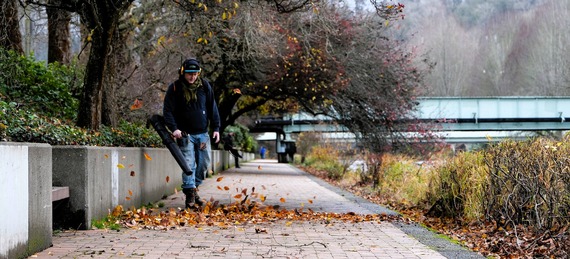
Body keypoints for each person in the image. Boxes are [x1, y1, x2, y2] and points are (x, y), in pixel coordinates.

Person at [163, 58, 220, 209]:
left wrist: (216, 128)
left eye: (195, 74)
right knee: (188, 165)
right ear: (183, 73)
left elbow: (212, 107)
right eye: (189, 74)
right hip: (185, 135)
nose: (192, 77)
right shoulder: (175, 88)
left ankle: (194, 189)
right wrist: (174, 129)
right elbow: (167, 111)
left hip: (202, 134)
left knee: (203, 165)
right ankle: (189, 194)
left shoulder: (205, 86)